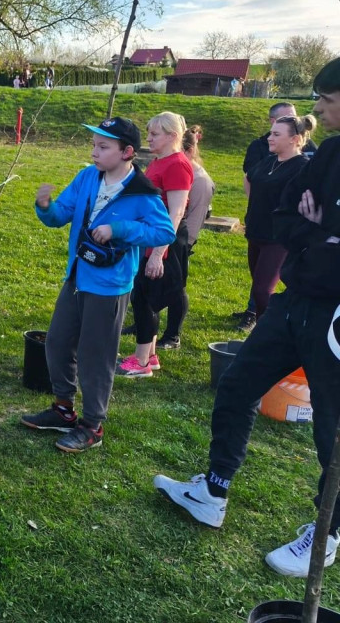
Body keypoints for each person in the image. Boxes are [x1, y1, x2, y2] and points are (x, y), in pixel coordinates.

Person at [153, 57, 340, 579]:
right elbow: (285, 215)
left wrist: (321, 226)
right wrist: (321, 232)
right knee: (237, 384)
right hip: (294, 301)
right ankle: (212, 492)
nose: (317, 108)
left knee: (332, 425)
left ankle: (328, 533)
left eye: (327, 100)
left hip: (335, 316)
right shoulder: (329, 155)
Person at [21, 118, 174, 452]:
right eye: (94, 145)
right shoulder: (87, 177)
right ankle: (63, 410)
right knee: (57, 341)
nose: (94, 153)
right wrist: (45, 207)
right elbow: (61, 214)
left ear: (127, 152)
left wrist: (120, 229)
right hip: (78, 276)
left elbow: (165, 232)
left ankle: (92, 425)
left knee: (96, 355)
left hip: (110, 286)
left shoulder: (142, 192)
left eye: (103, 147)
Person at [117, 111, 192, 379]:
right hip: (149, 238)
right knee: (144, 297)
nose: (148, 138)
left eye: (154, 134)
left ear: (172, 136)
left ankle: (141, 363)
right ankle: (149, 355)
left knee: (145, 300)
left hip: (164, 242)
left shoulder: (178, 165)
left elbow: (176, 212)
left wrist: (159, 253)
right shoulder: (160, 161)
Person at [236, 113, 317, 332]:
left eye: (276, 134)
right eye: (271, 133)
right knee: (259, 288)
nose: (269, 138)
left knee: (263, 290)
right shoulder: (269, 161)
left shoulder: (303, 167)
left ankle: (270, 332)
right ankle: (266, 333)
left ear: (295, 139)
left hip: (279, 238)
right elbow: (248, 178)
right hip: (256, 232)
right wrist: (255, 205)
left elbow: (312, 201)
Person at [161, 125, 215, 349]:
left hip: (179, 241)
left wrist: (184, 246)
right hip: (160, 235)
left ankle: (172, 335)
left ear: (189, 151)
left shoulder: (200, 180)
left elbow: (194, 218)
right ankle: (143, 324)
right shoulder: (170, 167)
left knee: (176, 287)